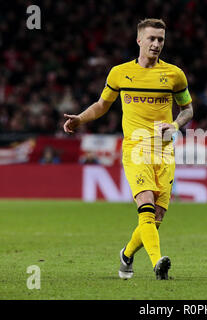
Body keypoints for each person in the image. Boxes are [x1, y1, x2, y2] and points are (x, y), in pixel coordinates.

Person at [63, 18, 193, 280]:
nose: (156, 44)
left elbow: (187, 109)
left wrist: (176, 124)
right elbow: (102, 105)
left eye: (161, 40)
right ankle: (158, 263)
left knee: (155, 219)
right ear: (139, 40)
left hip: (164, 151)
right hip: (135, 149)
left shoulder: (174, 75)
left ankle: (126, 255)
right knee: (145, 204)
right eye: (152, 39)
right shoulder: (119, 73)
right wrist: (80, 118)